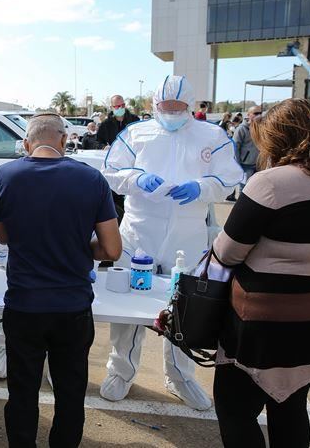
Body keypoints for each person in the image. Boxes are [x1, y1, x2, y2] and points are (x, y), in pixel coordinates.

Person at [101, 75, 244, 410]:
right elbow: (111, 171)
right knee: (128, 306)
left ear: (190, 106)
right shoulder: (136, 133)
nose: (172, 113)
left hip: (187, 234)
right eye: (166, 107)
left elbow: (230, 178)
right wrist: (138, 179)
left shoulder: (212, 135)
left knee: (187, 307)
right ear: (155, 105)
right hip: (139, 232)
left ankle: (180, 376)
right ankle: (121, 371)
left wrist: (202, 187)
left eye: (178, 107)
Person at [211, 98, 310, 447]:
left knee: (235, 411)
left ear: (278, 137)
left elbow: (227, 252)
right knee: (291, 408)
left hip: (264, 327)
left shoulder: (270, 183)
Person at [0, 113, 122, 447]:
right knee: (70, 394)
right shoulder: (91, 178)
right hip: (72, 306)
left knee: (22, 393)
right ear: (64, 140)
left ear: (26, 144)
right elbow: (112, 249)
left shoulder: (5, 175)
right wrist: (79, 246)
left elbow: (2, 236)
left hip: (24, 304)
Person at [233, 105, 261, 181]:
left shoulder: (261, 127)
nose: (259, 115)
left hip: (258, 165)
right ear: (248, 115)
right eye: (256, 113)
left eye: (260, 113)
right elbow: (235, 147)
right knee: (245, 187)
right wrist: (238, 165)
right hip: (245, 166)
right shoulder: (241, 129)